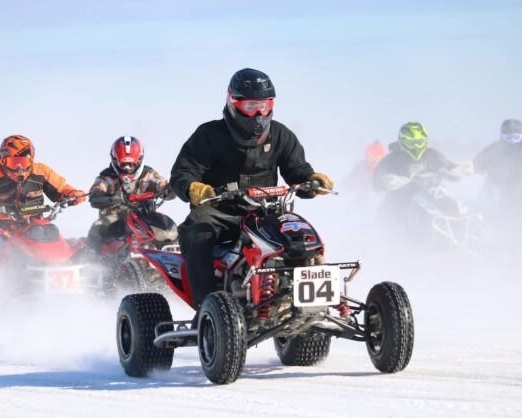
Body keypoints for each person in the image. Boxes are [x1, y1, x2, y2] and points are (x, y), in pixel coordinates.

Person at [170, 68, 334, 312]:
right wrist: (195, 188)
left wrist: (311, 180)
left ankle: (311, 298)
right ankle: (206, 307)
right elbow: (182, 174)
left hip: (266, 212)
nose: (258, 114)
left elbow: (296, 170)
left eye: (264, 106)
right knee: (196, 233)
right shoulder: (209, 135)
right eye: (250, 107)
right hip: (219, 211)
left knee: (302, 235)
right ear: (233, 102)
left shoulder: (280, 135)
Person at [0, 135, 86, 264]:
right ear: (2, 160)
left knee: (57, 246)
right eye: (13, 163)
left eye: (24, 162)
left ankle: (65, 277)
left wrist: (73, 194)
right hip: (1, 227)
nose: (19, 168)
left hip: (33, 225)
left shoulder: (41, 171)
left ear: (32, 159)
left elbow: (61, 188)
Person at [373, 122, 473, 233]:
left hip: (432, 198)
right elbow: (376, 182)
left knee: (455, 207)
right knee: (395, 217)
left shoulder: (432, 155)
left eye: (419, 142)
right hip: (400, 202)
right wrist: (385, 181)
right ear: (402, 142)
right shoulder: (391, 159)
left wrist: (459, 170)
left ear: (425, 142)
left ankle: (463, 228)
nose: (416, 147)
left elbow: (448, 168)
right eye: (411, 143)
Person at [87, 135, 177, 253]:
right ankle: (95, 266)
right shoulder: (106, 177)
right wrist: (105, 196)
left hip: (143, 217)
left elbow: (162, 185)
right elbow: (95, 194)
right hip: (113, 219)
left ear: (139, 160)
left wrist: (171, 188)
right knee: (96, 231)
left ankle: (174, 257)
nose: (127, 168)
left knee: (169, 230)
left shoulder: (148, 174)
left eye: (131, 164)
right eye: (123, 165)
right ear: (115, 160)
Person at [473, 119, 522, 201]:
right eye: (508, 137)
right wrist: (479, 167)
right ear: (502, 136)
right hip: (496, 187)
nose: (512, 141)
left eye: (516, 137)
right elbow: (477, 162)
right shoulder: (494, 149)